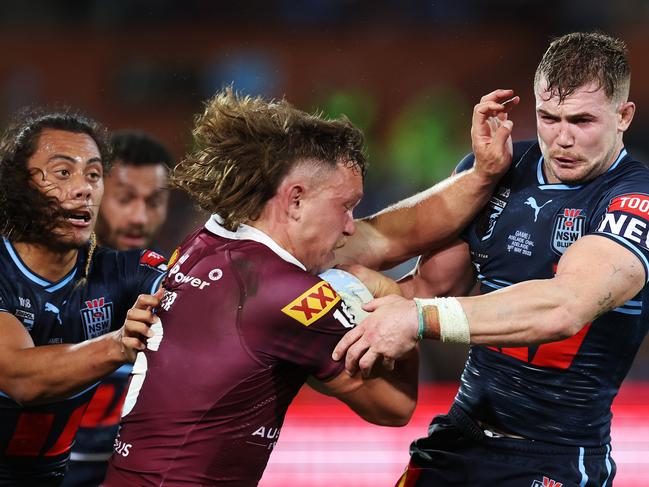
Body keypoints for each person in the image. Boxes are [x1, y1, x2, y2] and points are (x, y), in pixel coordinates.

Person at [101, 86, 512, 486]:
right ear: (295, 199)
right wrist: (392, 302)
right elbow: (396, 407)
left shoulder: (212, 237)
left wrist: (482, 175)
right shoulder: (292, 297)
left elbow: (391, 236)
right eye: (346, 207)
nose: (352, 224)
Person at [333, 32, 643, 486]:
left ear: (623, 116)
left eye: (582, 120)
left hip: (554, 458)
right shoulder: (496, 170)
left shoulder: (634, 199)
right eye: (548, 117)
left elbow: (565, 306)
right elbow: (426, 290)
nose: (562, 138)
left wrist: (416, 317)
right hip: (459, 435)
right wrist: (317, 307)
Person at [0, 108, 167, 486]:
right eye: (63, 173)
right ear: (18, 184)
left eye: (93, 174)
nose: (84, 188)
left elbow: (200, 289)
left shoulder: (120, 271)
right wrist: (118, 345)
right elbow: (20, 378)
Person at [64, 131, 173, 487]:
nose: (139, 217)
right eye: (124, 199)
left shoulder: (171, 282)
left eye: (153, 202)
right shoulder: (42, 278)